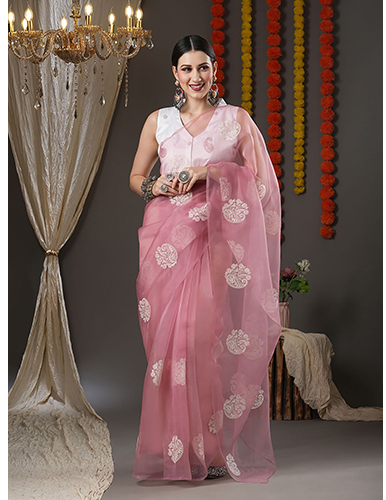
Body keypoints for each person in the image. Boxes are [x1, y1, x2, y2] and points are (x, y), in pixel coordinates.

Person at [129, 34, 282, 483]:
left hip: (213, 240)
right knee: (168, 346)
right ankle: (172, 447)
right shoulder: (158, 121)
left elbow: (261, 183)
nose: (195, 77)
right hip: (164, 244)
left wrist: (208, 173)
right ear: (174, 75)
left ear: (215, 70)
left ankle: (210, 449)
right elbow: (136, 176)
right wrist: (156, 185)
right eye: (186, 69)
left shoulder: (236, 120)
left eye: (203, 67)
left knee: (200, 340)